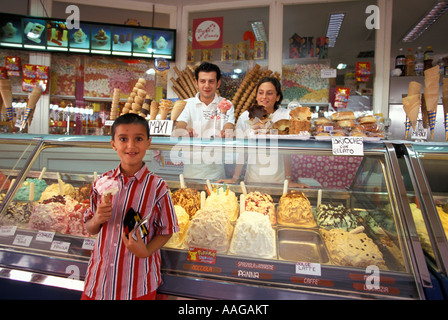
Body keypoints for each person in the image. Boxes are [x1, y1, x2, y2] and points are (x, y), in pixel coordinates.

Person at [82, 113, 178, 300]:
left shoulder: (157, 187)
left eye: (139, 139)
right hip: (99, 280)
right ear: (113, 144)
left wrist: (147, 250)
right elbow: (89, 228)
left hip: (137, 284)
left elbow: (167, 229)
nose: (131, 146)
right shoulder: (102, 182)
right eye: (123, 139)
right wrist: (98, 218)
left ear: (148, 143)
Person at [218, 76, 309, 188]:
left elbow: (287, 151)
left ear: (277, 97)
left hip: (278, 180)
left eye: (269, 93)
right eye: (261, 93)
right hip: (252, 178)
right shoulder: (246, 116)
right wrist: (235, 178)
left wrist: (288, 180)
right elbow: (243, 150)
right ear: (256, 96)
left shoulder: (286, 116)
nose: (264, 97)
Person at [173, 62, 235, 181]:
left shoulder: (226, 104)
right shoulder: (188, 104)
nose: (207, 85)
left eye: (211, 81)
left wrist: (227, 131)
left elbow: (229, 124)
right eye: (202, 81)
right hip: (191, 170)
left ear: (218, 83)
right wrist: (184, 130)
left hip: (216, 170)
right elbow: (179, 125)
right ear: (196, 83)